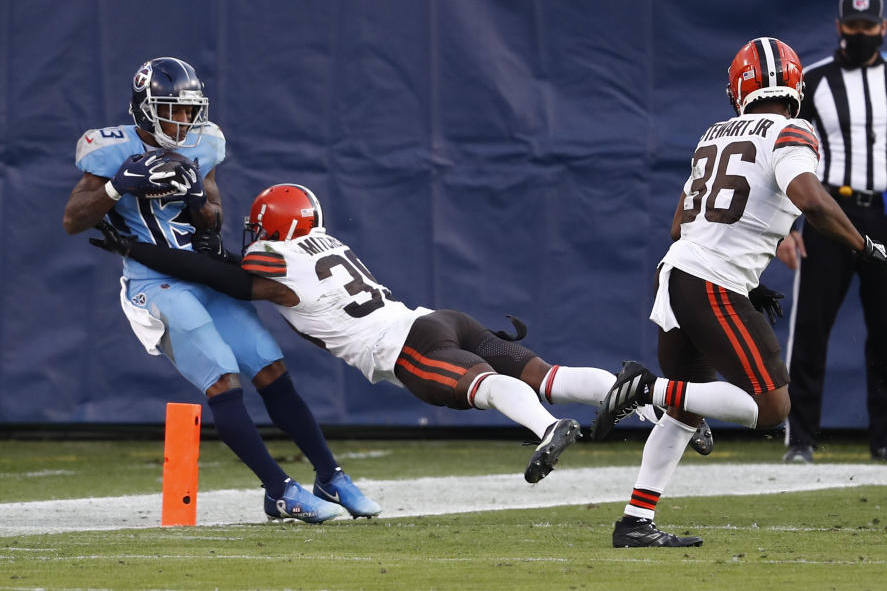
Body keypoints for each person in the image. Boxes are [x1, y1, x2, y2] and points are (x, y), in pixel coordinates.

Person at [88, 183, 713, 483]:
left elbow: (216, 274)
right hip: (440, 318)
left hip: (407, 347)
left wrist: (149, 251)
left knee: (491, 387)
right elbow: (226, 264)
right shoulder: (323, 241)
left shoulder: (274, 261)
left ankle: (548, 427)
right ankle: (666, 406)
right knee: (547, 374)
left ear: (269, 228)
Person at [591, 37, 887, 548]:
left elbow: (678, 226)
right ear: (794, 83)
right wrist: (864, 245)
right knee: (773, 407)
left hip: (678, 274)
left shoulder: (714, 134)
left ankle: (634, 521)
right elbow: (811, 200)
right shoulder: (790, 130)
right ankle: (642, 389)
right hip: (710, 280)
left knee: (686, 409)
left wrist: (746, 282)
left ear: (739, 88)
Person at [62, 57, 380, 524]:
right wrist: (115, 188)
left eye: (190, 110)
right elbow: (72, 220)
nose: (185, 120)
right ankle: (279, 490)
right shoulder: (107, 149)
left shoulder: (204, 143)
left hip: (203, 271)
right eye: (173, 109)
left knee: (270, 366)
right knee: (224, 377)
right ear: (146, 108)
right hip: (155, 284)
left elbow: (212, 207)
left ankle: (329, 474)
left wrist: (199, 203)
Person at [776, 0, 887, 464]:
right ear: (839, 26)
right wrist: (786, 227)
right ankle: (801, 440)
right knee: (810, 330)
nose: (861, 34)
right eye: (853, 26)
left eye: (869, 27)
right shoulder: (814, 82)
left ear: (884, 28)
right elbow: (787, 159)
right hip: (830, 215)